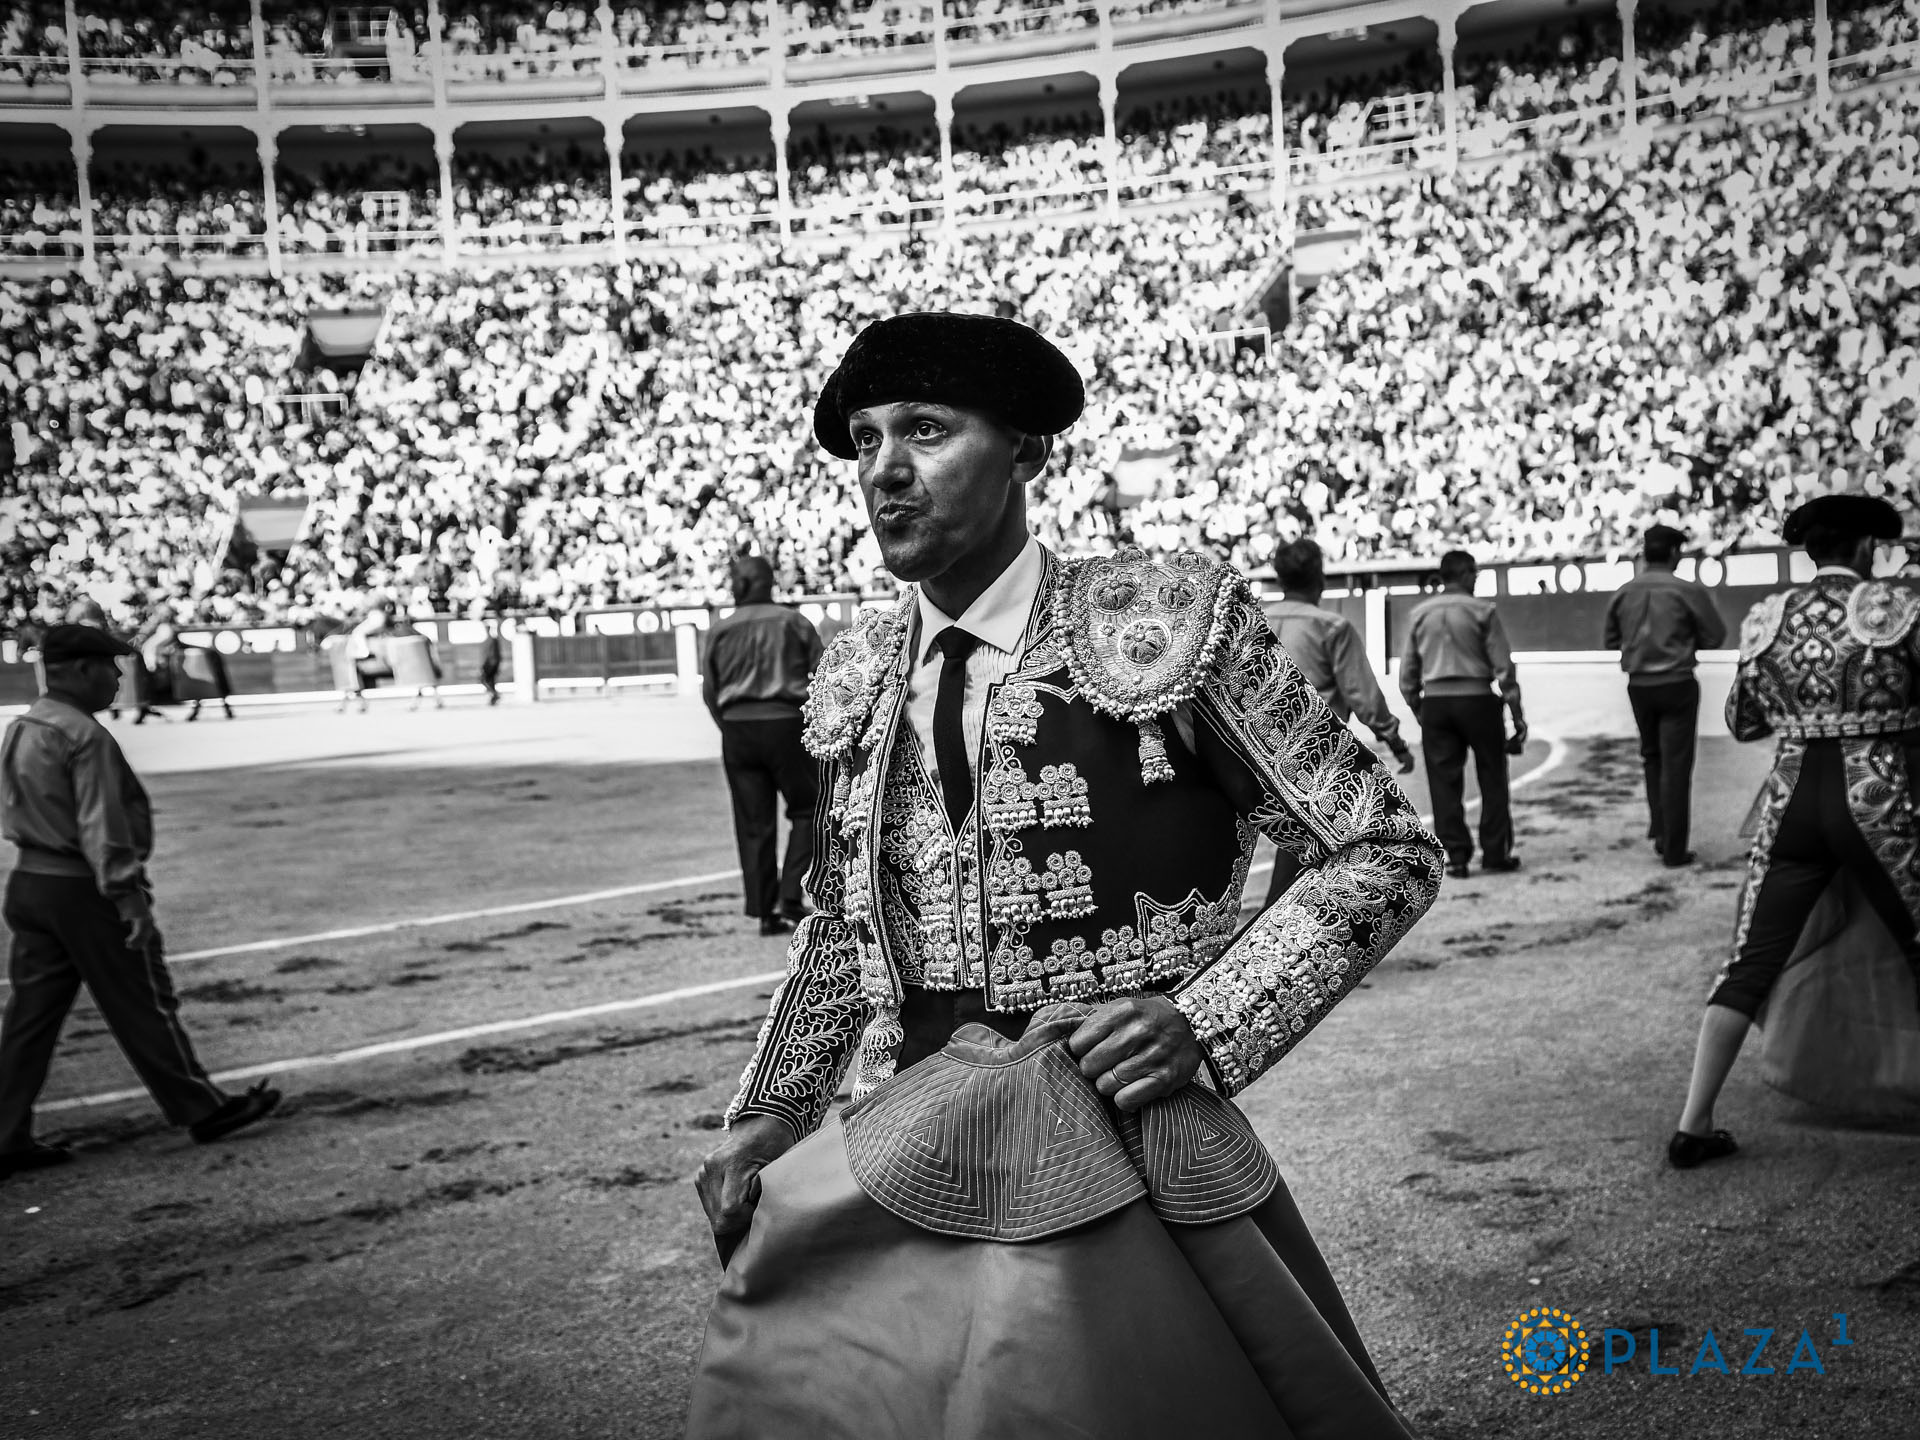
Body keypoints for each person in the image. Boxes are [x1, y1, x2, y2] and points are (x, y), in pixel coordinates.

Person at [686, 312, 1443, 1437]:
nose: (884, 469)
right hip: (898, 1142)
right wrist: (769, 1113)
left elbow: (1385, 846)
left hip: (1119, 1145)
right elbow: (845, 931)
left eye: (927, 430)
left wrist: (1204, 1021)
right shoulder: (858, 668)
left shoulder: (1166, 621)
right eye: (867, 438)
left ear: (1028, 450)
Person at [1670, 494, 1920, 1167]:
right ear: (1866, 546)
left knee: (1750, 961)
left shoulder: (1767, 616)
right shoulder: (1899, 609)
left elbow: (1743, 720)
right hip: (1877, 796)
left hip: (1790, 801)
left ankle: (1694, 1124)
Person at [0, 625, 280, 1180]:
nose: (118, 676)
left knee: (29, 1017)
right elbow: (103, 828)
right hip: (84, 889)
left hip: (30, 880)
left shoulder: (23, 726)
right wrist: (128, 899)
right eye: (110, 666)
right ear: (82, 670)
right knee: (142, 1000)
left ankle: (3, 1134)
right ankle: (201, 1108)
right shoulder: (84, 735)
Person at [1263, 537, 1414, 904]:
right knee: (1318, 839)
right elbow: (1363, 697)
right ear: (1320, 577)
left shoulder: (1256, 621)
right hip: (1312, 752)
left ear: (1279, 578)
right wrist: (1394, 741)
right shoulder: (1331, 626)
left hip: (1248, 746)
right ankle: (1280, 912)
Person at [700, 555, 823, 937]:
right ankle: (790, 896)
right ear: (768, 583)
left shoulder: (720, 630)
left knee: (753, 822)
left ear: (742, 584)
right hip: (787, 726)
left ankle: (764, 910)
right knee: (811, 809)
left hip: (738, 731)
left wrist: (730, 728)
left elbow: (710, 692)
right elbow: (824, 678)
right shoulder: (794, 622)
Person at [1604, 523, 1729, 867]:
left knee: (1652, 757)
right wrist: (1685, 642)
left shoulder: (1624, 591)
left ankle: (1660, 832)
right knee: (1675, 765)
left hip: (1639, 684)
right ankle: (1674, 848)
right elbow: (1715, 636)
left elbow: (1611, 640)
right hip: (1676, 682)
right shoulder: (1686, 590)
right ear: (1674, 553)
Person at [1398, 549, 1526, 879]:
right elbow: (1504, 668)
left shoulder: (1420, 614)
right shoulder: (1482, 611)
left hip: (1437, 704)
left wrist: (1419, 709)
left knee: (1443, 784)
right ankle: (1495, 852)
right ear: (1467, 573)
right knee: (1492, 777)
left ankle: (1456, 856)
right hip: (1478, 700)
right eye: (1475, 575)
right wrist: (1516, 714)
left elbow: (1407, 675)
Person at [477, 617, 503, 706]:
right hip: (493, 663)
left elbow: (490, 654)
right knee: (490, 681)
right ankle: (493, 697)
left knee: (484, 680)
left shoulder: (491, 639)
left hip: (490, 664)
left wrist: (485, 665)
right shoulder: (493, 639)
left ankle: (495, 694)